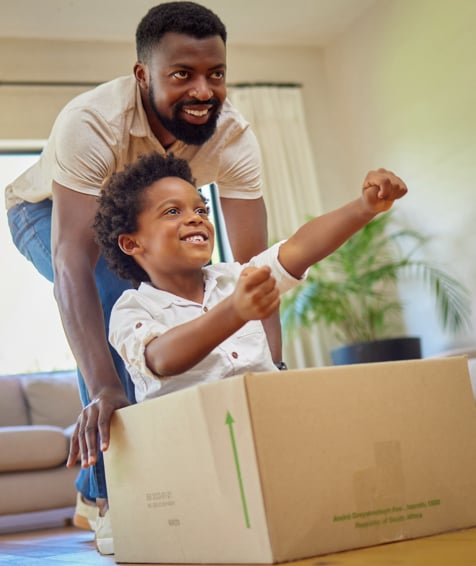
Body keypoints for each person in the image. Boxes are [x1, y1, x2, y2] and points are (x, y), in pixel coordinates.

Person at [4, 1, 282, 554]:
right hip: (43, 213)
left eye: (216, 74)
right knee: (123, 305)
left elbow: (255, 273)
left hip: (143, 220)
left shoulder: (233, 138)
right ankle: (108, 496)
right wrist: (107, 387)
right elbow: (71, 265)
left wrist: (270, 367)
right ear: (143, 75)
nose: (203, 91)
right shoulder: (91, 122)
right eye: (182, 74)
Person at [92, 151, 407, 404]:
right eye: (172, 212)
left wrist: (363, 208)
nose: (195, 218)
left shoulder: (235, 277)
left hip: (272, 419)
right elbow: (161, 358)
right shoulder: (132, 308)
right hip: (196, 447)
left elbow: (299, 249)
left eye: (201, 211)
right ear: (132, 242)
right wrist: (234, 311)